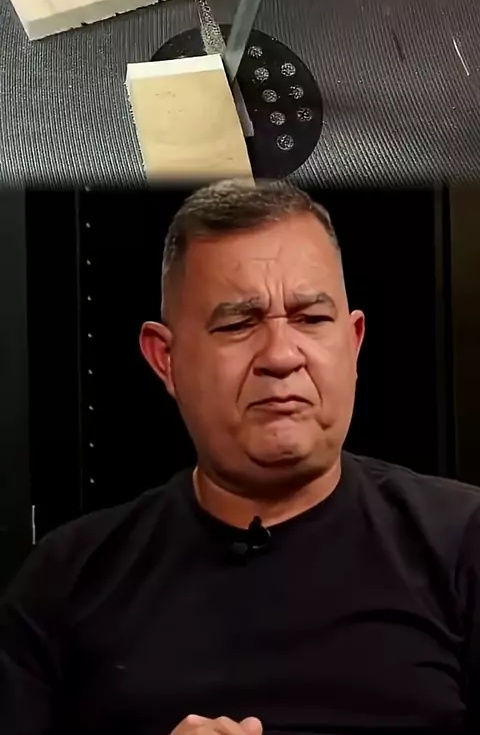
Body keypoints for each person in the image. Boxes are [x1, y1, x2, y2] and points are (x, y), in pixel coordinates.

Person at [1, 178, 480, 735]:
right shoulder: (65, 580)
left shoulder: (462, 543)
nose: (281, 355)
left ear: (353, 344)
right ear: (166, 360)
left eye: (311, 319)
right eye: (237, 324)